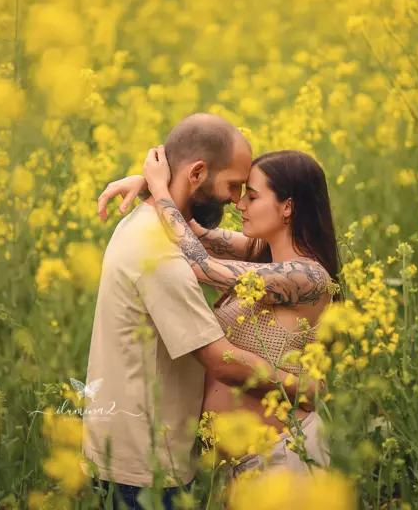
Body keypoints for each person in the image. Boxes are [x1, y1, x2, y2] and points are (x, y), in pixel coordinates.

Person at [83, 113, 319, 510]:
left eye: (250, 195)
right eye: (235, 187)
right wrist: (154, 188)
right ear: (197, 173)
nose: (237, 201)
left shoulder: (304, 274)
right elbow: (217, 355)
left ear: (288, 208)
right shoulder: (160, 247)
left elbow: (201, 255)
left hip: (276, 456)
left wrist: (159, 190)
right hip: (146, 467)